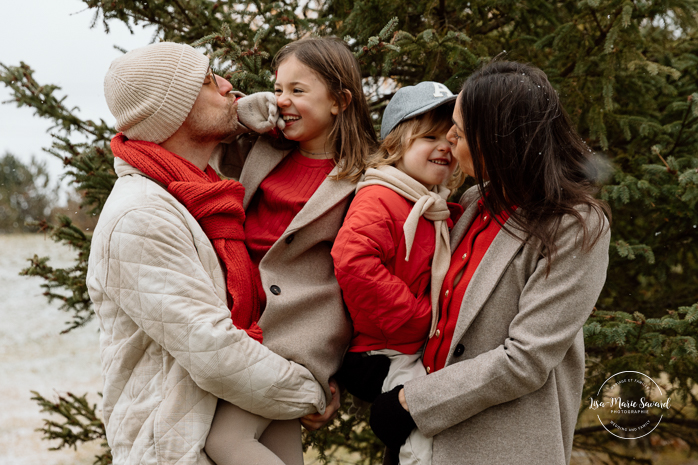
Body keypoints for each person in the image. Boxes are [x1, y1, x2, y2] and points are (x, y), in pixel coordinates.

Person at [87, 42, 328, 465]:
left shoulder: (201, 192)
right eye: (206, 81)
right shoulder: (141, 216)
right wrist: (309, 391)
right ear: (174, 111)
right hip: (179, 450)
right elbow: (216, 351)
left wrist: (258, 120)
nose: (227, 85)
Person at [369, 61, 612, 465]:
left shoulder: (576, 227)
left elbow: (525, 360)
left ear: (499, 141)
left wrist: (411, 402)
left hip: (497, 446)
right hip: (420, 444)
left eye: (460, 132)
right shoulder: (471, 203)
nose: (448, 136)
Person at [203, 37, 378, 465]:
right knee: (275, 450)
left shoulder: (369, 176)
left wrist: (336, 367)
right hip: (245, 320)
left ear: (340, 101)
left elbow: (371, 272)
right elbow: (209, 126)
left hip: (300, 335)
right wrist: (248, 110)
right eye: (278, 89)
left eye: (298, 91)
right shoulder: (262, 150)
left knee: (224, 443)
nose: (283, 101)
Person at [331, 81, 465, 465]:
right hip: (382, 349)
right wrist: (418, 319)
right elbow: (353, 260)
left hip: (404, 346)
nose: (445, 146)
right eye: (429, 136)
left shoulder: (430, 204)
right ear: (395, 144)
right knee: (422, 442)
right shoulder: (381, 195)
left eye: (451, 137)